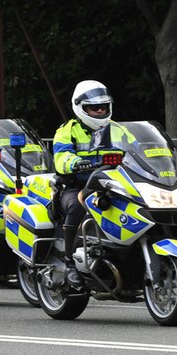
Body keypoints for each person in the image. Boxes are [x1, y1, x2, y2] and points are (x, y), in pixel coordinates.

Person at [52, 79, 114, 289]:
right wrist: (76, 163)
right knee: (78, 205)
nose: (99, 111)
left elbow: (136, 151)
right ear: (80, 107)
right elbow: (61, 157)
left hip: (112, 185)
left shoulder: (118, 130)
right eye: (93, 108)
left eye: (103, 107)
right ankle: (69, 262)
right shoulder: (67, 130)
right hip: (76, 186)